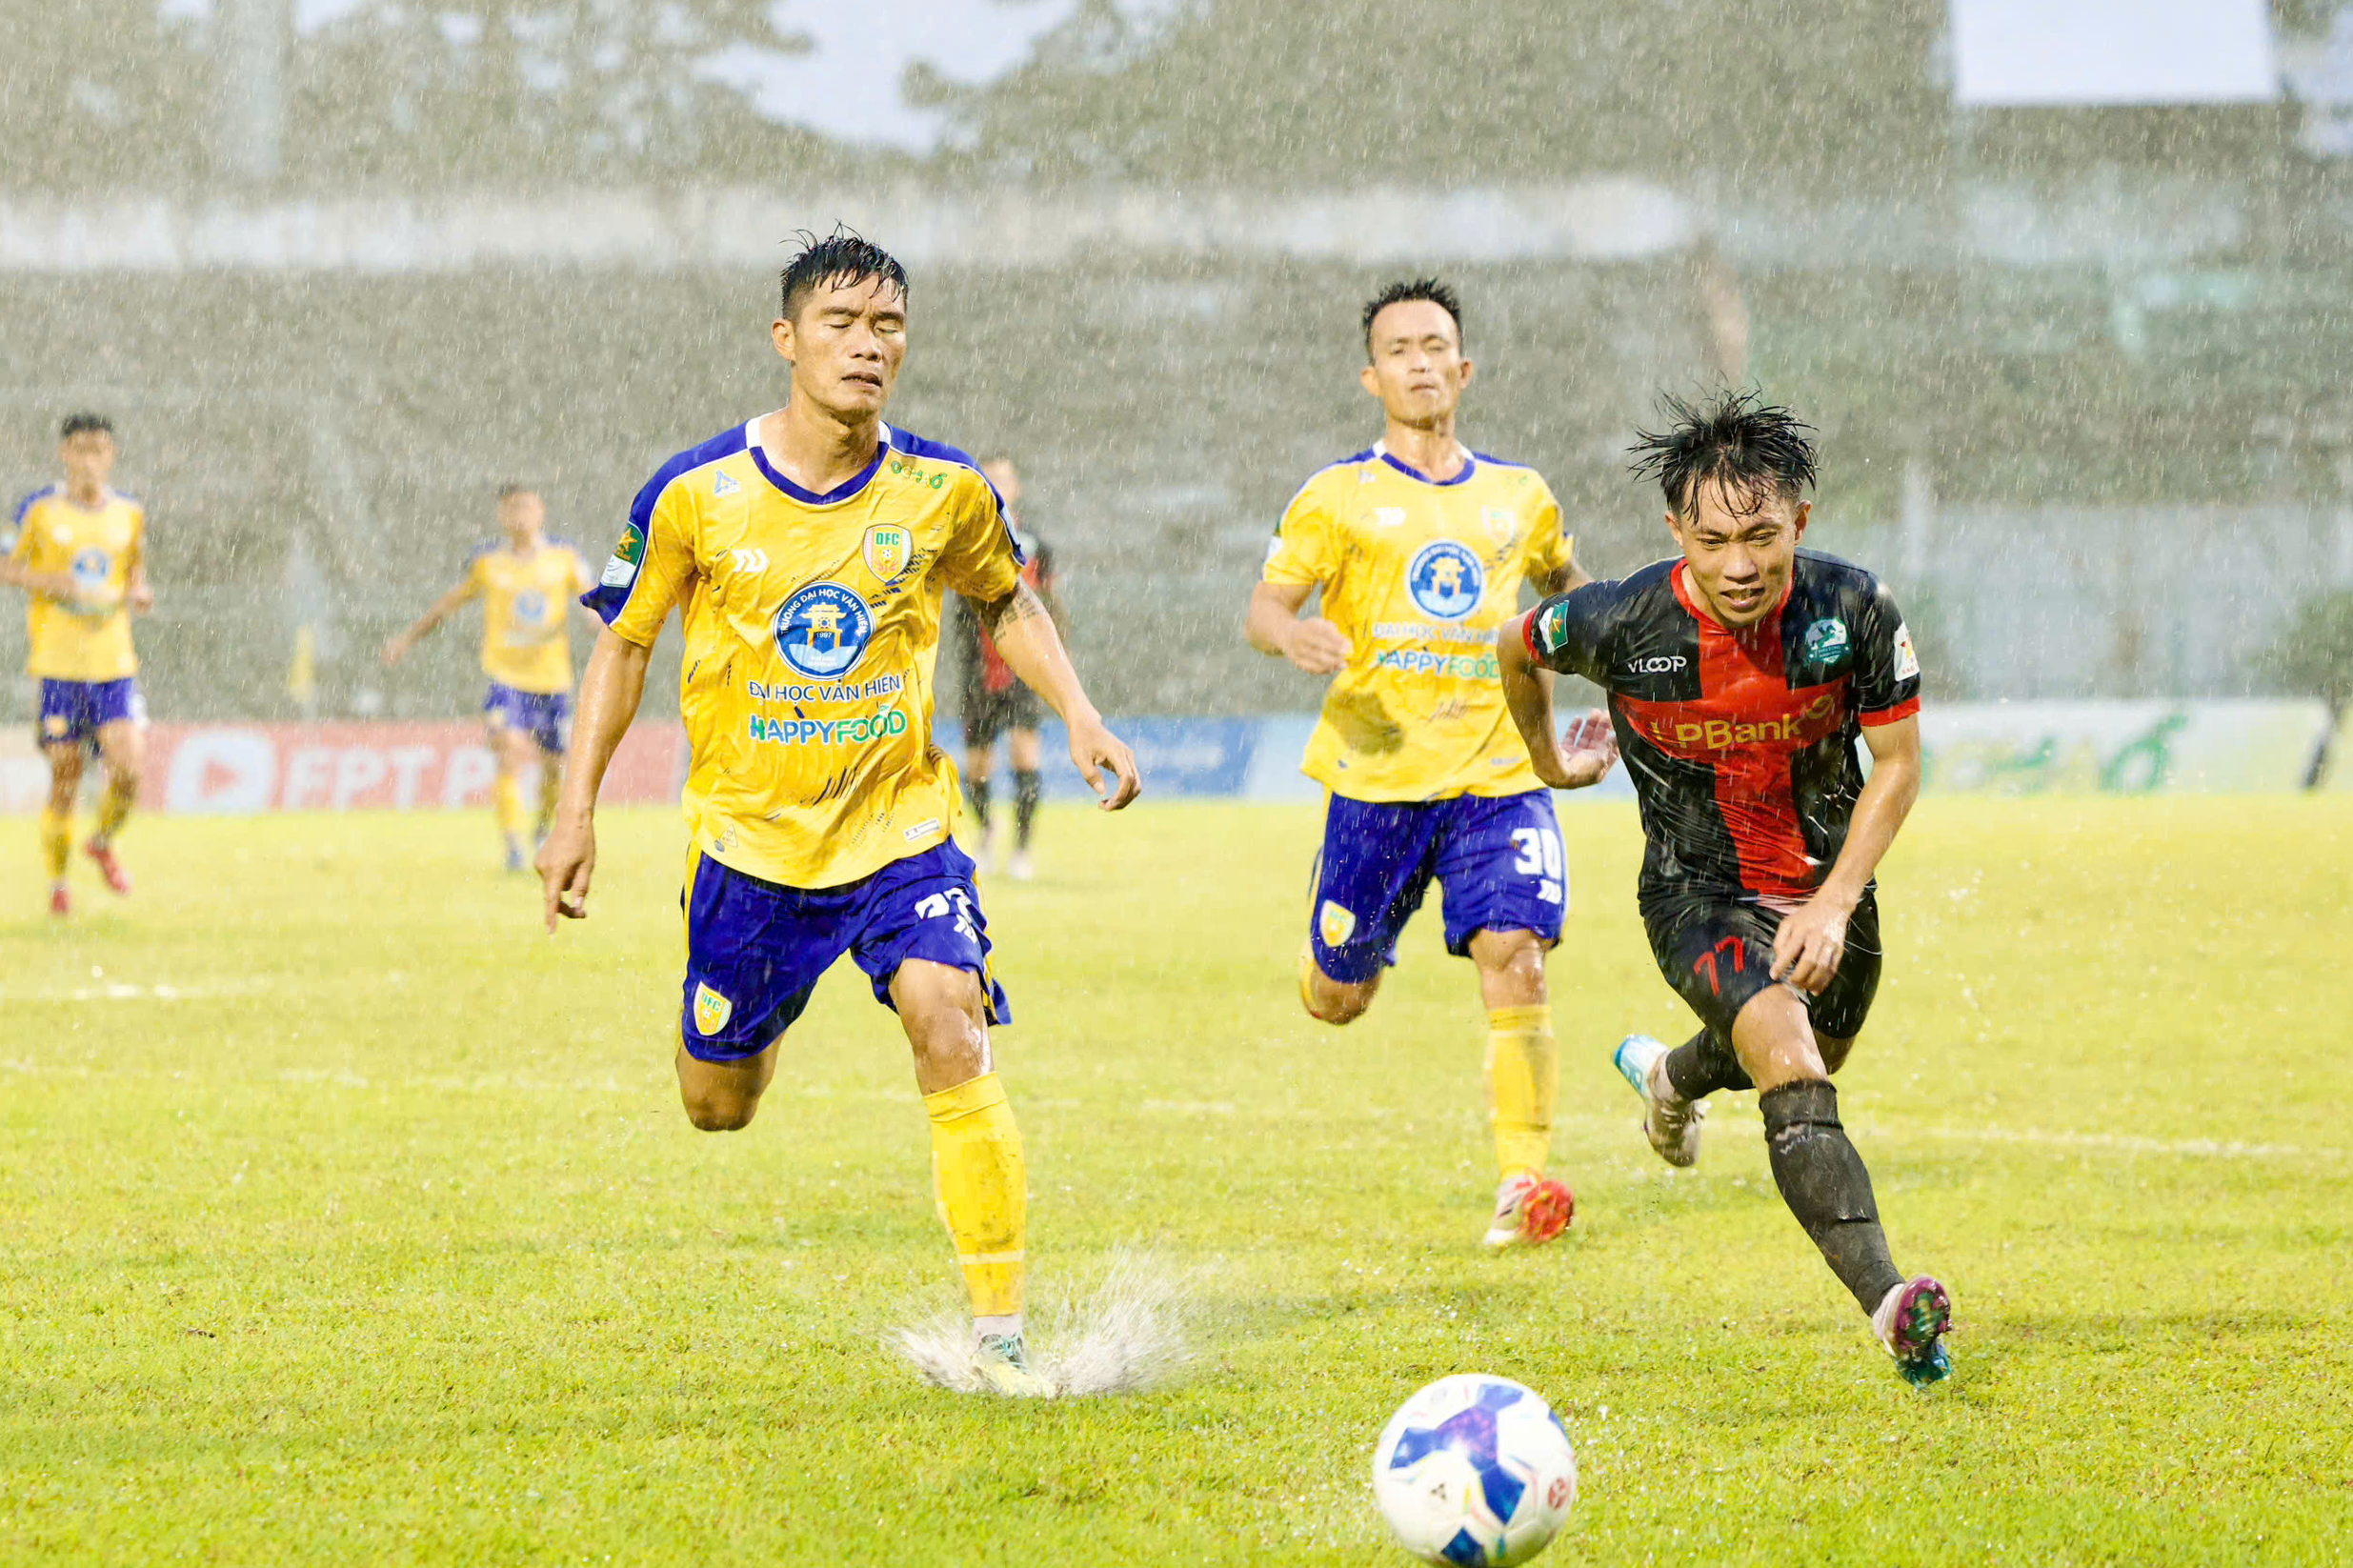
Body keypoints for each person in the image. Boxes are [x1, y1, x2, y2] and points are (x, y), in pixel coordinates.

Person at [536, 230, 1141, 1395]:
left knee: (949, 1020)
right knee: (718, 1103)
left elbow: (1005, 600)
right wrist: (577, 812)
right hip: (751, 849)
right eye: (842, 324)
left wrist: (1079, 713)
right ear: (787, 339)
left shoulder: (945, 489)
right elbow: (624, 645)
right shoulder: (695, 491)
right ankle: (745, 1020)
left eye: (888, 326)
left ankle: (1000, 1332)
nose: (869, 346)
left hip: (900, 830)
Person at [1498, 390, 1953, 1386]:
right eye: (1712, 541)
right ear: (1676, 533)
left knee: (1799, 1057)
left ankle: (1671, 1077)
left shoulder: (1852, 610)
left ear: (1800, 520)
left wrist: (1834, 901)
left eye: (1760, 536)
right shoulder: (1623, 619)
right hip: (1692, 894)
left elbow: (1899, 765)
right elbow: (1514, 644)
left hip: (1827, 890)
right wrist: (1546, 759)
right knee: (1791, 1063)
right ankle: (1893, 1307)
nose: (1738, 565)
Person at [1244, 278, 1617, 1250]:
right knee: (1338, 999)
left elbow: (1572, 597)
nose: (1418, 361)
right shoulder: (1336, 496)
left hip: (1498, 777)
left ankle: (1523, 1183)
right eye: (1398, 349)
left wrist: (1625, 648)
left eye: (1434, 345)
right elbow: (1265, 607)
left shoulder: (1520, 496)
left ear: (1465, 367)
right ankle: (1333, 951)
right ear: (1371, 377)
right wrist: (1293, 635)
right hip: (1376, 781)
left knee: (1516, 955)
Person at [381, 486, 595, 871]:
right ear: (501, 515)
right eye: (512, 508)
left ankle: (541, 828)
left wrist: (596, 618)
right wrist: (405, 640)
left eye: (526, 506)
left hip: (551, 680)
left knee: (553, 765)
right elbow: (445, 606)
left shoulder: (564, 556)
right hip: (506, 678)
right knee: (508, 751)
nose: (520, 515)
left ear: (541, 511)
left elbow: (592, 597)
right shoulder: (486, 563)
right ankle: (513, 845)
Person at [2, 412, 151, 917]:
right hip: (59, 666)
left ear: (111, 455)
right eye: (81, 449)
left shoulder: (128, 514)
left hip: (113, 665)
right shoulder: (39, 510)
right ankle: (57, 884)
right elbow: (6, 567)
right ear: (65, 453)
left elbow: (134, 571)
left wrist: (139, 591)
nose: (90, 459)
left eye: (99, 449)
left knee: (128, 771)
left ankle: (102, 841)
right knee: (65, 776)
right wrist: (50, 582)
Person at [951, 456, 1059, 879]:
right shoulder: (963, 539)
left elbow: (1051, 607)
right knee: (977, 767)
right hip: (979, 672)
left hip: (1024, 671)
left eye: (1003, 479)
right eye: (989, 478)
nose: (997, 485)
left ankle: (1022, 850)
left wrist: (1055, 660)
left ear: (1015, 488)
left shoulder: (1036, 546)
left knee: (1025, 757)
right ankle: (987, 830)